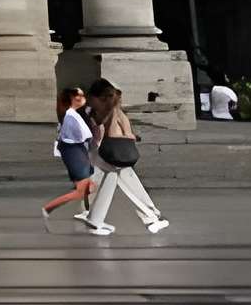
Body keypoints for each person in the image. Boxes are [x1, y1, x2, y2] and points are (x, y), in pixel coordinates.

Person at [81, 82, 169, 235]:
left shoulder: (115, 113)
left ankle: (96, 220)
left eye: (92, 97)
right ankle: (150, 216)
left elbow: (120, 134)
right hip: (105, 153)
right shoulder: (100, 112)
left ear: (100, 98)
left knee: (120, 182)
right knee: (121, 182)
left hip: (110, 153)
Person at [41, 87, 101, 223]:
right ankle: (48, 208)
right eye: (78, 96)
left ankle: (88, 212)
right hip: (76, 152)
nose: (82, 98)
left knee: (89, 187)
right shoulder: (70, 116)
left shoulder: (73, 114)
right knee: (82, 190)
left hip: (78, 152)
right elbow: (77, 137)